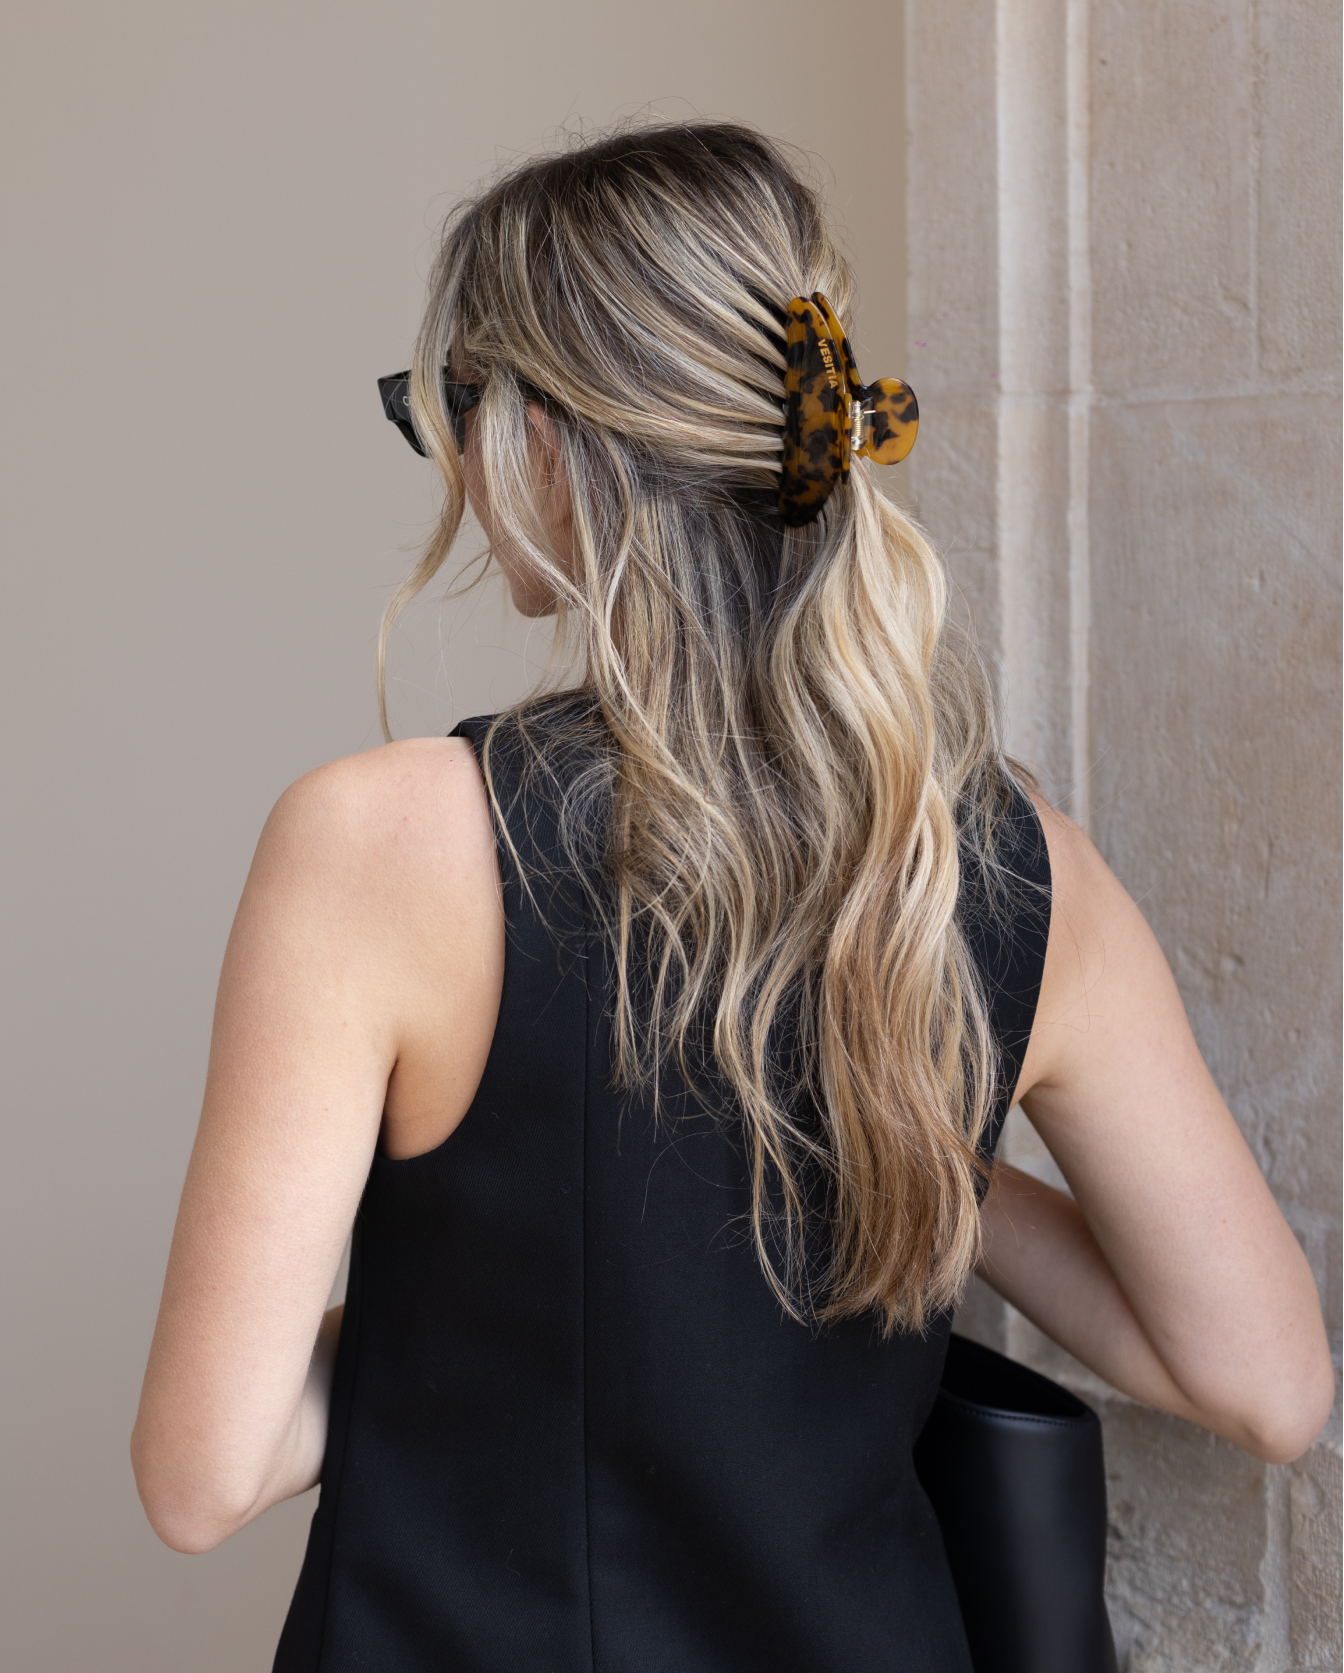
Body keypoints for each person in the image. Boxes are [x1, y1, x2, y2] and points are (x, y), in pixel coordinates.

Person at [131, 123, 1333, 1672]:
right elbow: (1267, 1381)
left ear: (541, 441)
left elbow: (202, 1475)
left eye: (449, 409)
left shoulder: (379, 844)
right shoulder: (1017, 860)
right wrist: (920, 1168)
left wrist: (518, 1321)